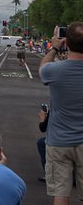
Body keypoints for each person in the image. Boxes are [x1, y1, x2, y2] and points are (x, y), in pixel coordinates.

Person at [39, 23, 83, 204]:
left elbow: (43, 68)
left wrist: (54, 47)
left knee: (60, 194)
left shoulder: (54, 71)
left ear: (67, 43)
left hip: (59, 142)